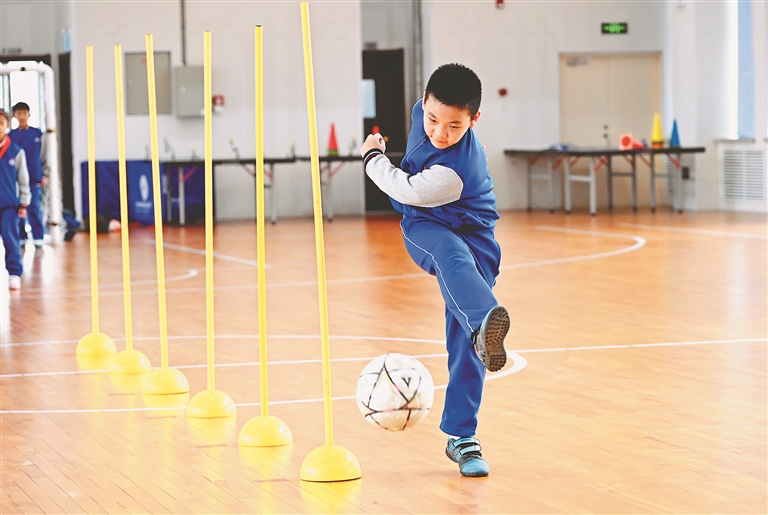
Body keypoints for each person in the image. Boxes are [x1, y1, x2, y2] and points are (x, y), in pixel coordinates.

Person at [360, 63, 509, 477]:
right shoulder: (420, 113)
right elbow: (412, 195)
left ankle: (462, 436)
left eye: (455, 125)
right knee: (450, 254)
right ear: (423, 102)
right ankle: (483, 323)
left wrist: (371, 157)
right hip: (426, 226)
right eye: (432, 119)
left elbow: (402, 187)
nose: (440, 133)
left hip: (476, 234)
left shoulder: (453, 174)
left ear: (474, 119)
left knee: (469, 342)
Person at [0, 108, 31, 290]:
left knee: (10, 238)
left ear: (7, 125)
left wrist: (24, 203)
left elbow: (23, 180)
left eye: (1, 123)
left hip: (9, 205)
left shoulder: (16, 151)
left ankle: (14, 273)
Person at [10, 102, 48, 248]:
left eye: (24, 113)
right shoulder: (11, 136)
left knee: (34, 207)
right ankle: (21, 237)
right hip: (15, 179)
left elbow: (45, 156)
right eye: (19, 113)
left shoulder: (37, 134)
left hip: (34, 177)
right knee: (18, 207)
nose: (22, 116)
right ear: (14, 116)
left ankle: (38, 236)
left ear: (29, 115)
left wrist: (45, 174)